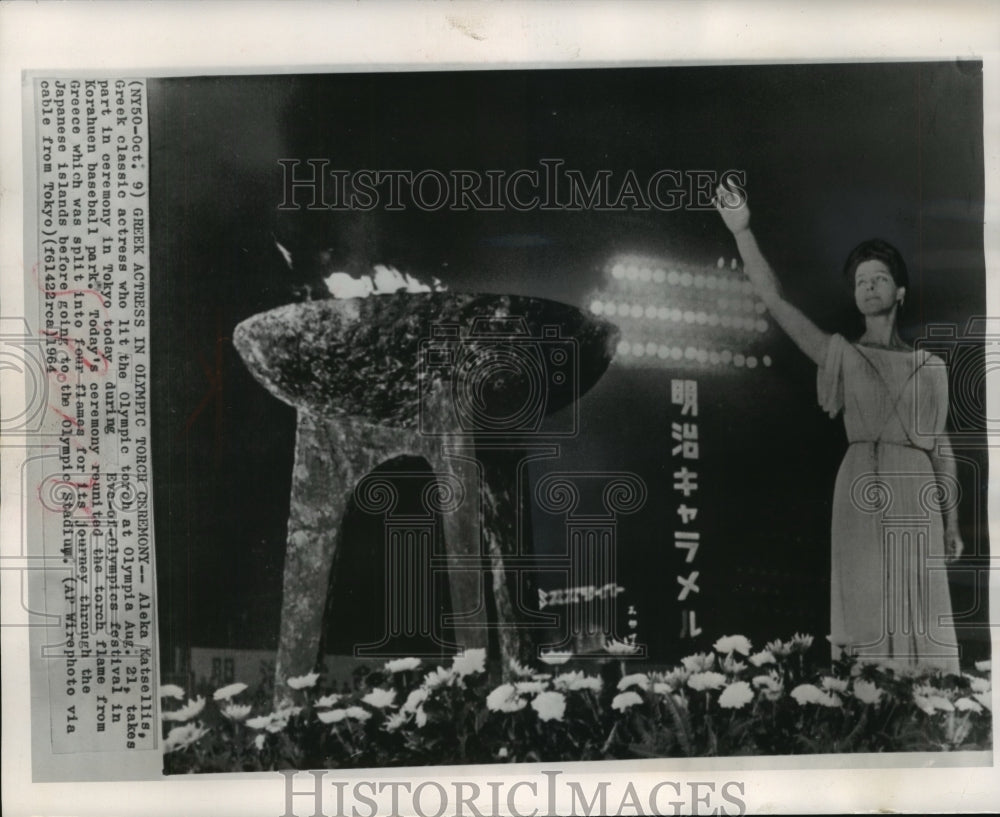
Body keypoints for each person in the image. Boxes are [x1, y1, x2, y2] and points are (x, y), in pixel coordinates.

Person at [715, 185, 962, 674]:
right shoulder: (841, 354)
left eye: (879, 278)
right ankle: (870, 705)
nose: (868, 286)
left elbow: (942, 448)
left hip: (916, 489)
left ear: (900, 292)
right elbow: (775, 299)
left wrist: (953, 521)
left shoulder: (931, 366)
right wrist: (743, 232)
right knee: (867, 600)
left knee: (918, 601)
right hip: (860, 485)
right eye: (860, 281)